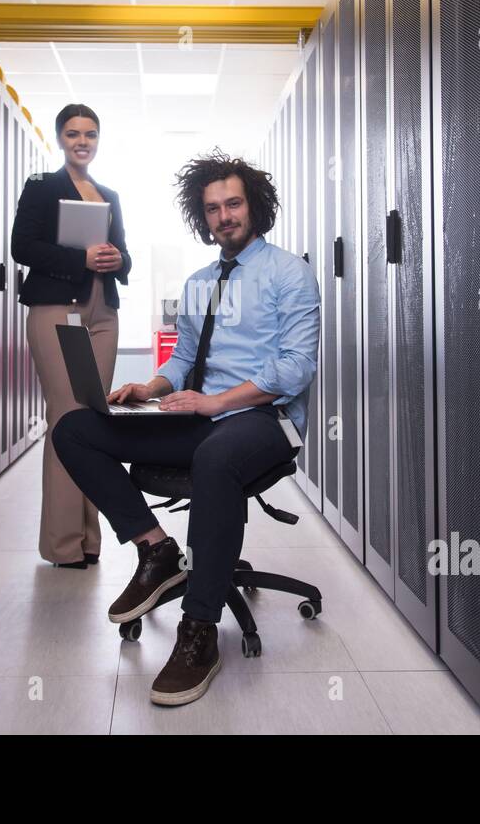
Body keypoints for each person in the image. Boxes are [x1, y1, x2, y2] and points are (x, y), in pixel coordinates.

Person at [51, 149, 319, 706]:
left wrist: (215, 403)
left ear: (255, 206)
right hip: (203, 414)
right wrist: (147, 389)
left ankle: (199, 630)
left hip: (263, 419)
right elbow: (182, 361)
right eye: (214, 208)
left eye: (234, 204)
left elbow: (294, 370)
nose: (225, 216)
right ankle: (157, 550)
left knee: (216, 459)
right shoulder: (199, 282)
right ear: (204, 218)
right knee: (75, 428)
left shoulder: (290, 273)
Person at [12, 104, 131, 569]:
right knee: (65, 417)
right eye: (74, 133)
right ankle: (62, 544)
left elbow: (125, 251)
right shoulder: (42, 187)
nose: (83, 141)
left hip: (103, 313)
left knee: (92, 420)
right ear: (60, 138)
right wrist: (79, 260)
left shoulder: (109, 194)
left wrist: (118, 260)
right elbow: (22, 247)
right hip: (58, 309)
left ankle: (90, 539)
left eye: (91, 134)